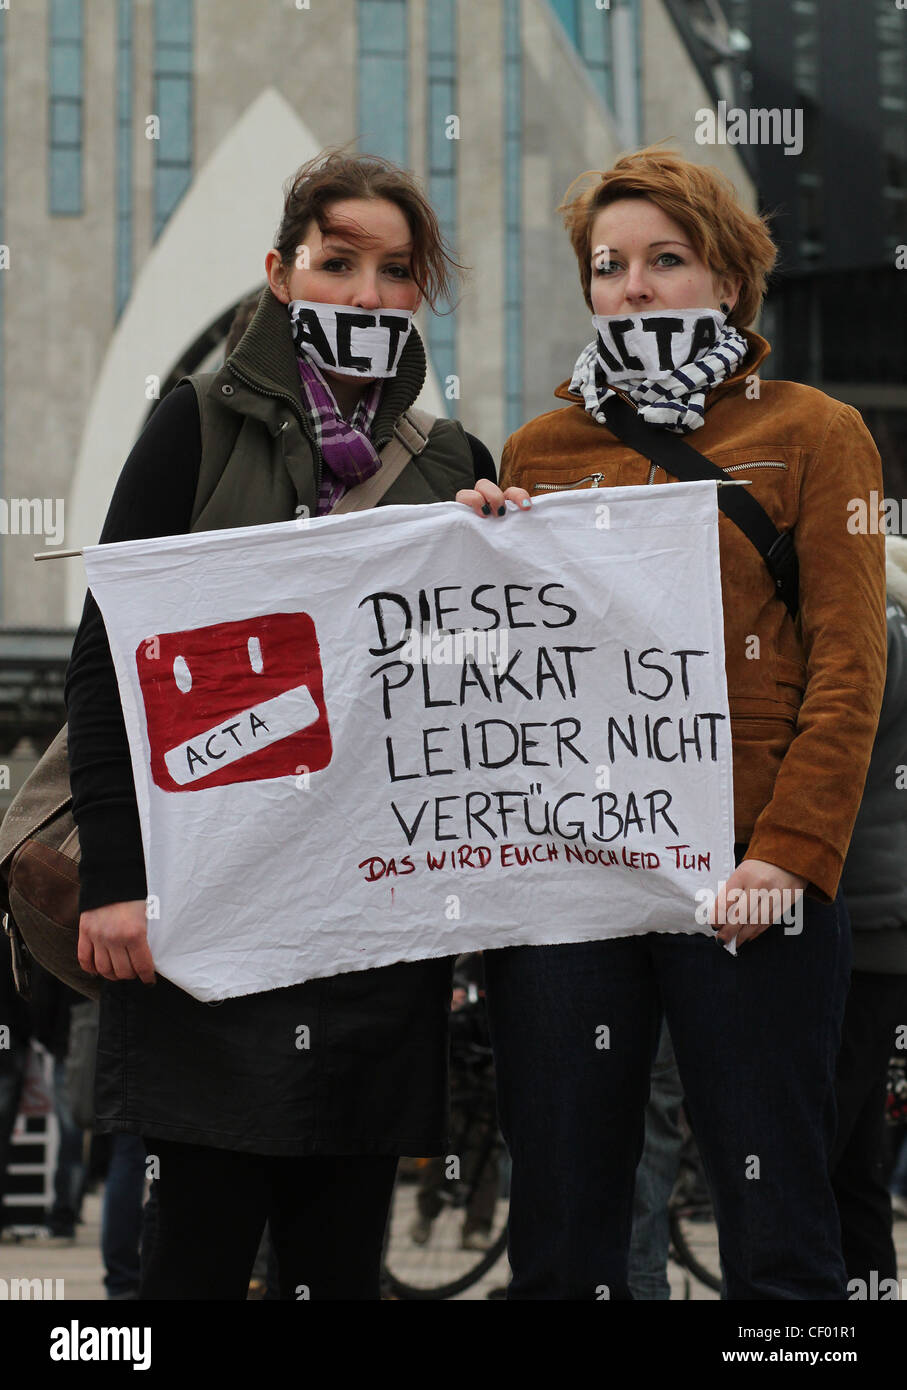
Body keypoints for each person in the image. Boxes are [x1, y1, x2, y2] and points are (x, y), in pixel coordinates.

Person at [65, 149, 496, 1301]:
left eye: (396, 270)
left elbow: (475, 696)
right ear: (280, 273)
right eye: (338, 261)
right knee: (195, 1250)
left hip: (369, 928)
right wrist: (115, 877)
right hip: (211, 907)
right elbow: (106, 659)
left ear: (420, 295)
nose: (366, 291)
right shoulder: (194, 423)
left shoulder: (455, 465)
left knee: (338, 1254)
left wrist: (498, 553)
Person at [457, 147, 887, 1299]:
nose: (634, 287)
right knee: (562, 1214)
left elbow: (850, 662)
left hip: (745, 871)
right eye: (609, 267)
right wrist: (471, 549)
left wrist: (787, 855)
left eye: (666, 260)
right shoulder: (537, 451)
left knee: (778, 1218)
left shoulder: (815, 428)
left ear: (728, 279)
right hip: (572, 871)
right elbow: (512, 671)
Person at [831, 533, 907, 1288]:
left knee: (827, 1137)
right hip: (886, 916)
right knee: (854, 1142)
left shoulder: (874, 629)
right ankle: (866, 1285)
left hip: (861, 910)